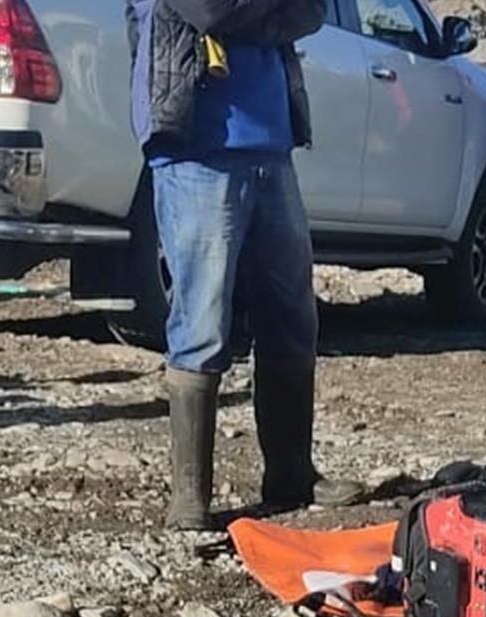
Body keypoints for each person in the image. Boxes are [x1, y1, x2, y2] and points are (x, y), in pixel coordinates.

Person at [127, 0, 363, 530]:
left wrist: (259, 15)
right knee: (202, 322)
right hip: (196, 149)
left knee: (292, 318)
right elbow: (211, 11)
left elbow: (310, 12)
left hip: (271, 148)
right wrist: (270, 14)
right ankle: (190, 500)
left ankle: (291, 475)